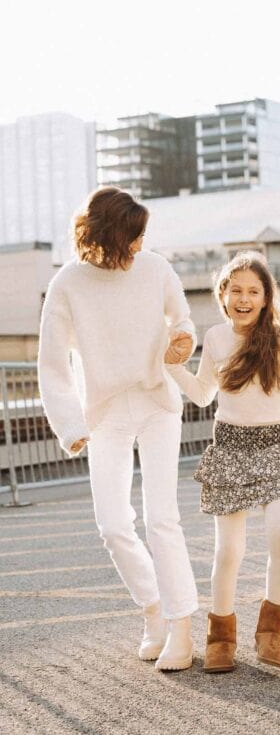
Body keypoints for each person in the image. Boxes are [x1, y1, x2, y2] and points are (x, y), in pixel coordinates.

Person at [38, 186, 199, 671]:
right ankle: (153, 613)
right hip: (102, 411)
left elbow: (182, 319)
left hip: (156, 402)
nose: (139, 243)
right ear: (106, 234)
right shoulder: (69, 283)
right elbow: (52, 363)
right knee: (112, 524)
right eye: (132, 235)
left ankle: (183, 627)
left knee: (160, 518)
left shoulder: (156, 267)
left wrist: (182, 342)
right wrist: (68, 424)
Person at [167, 251, 280, 673]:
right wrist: (172, 366)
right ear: (223, 295)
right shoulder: (214, 338)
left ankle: (271, 632)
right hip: (229, 446)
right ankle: (221, 637)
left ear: (267, 298)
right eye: (236, 291)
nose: (244, 299)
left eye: (253, 291)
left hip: (275, 446)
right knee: (229, 550)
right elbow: (202, 393)